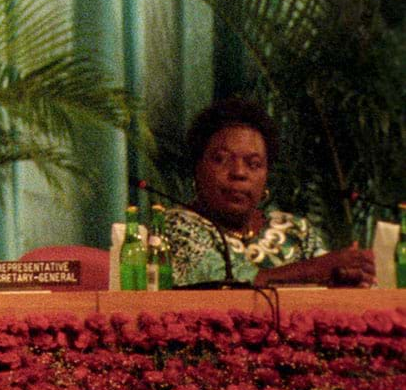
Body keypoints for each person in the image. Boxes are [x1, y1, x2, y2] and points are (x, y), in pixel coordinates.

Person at [151, 96, 373, 286]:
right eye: (222, 160)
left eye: (253, 163)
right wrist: (315, 269)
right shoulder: (175, 228)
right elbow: (225, 287)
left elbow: (330, 281)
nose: (239, 172)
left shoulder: (296, 231)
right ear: (197, 168)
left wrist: (349, 273)